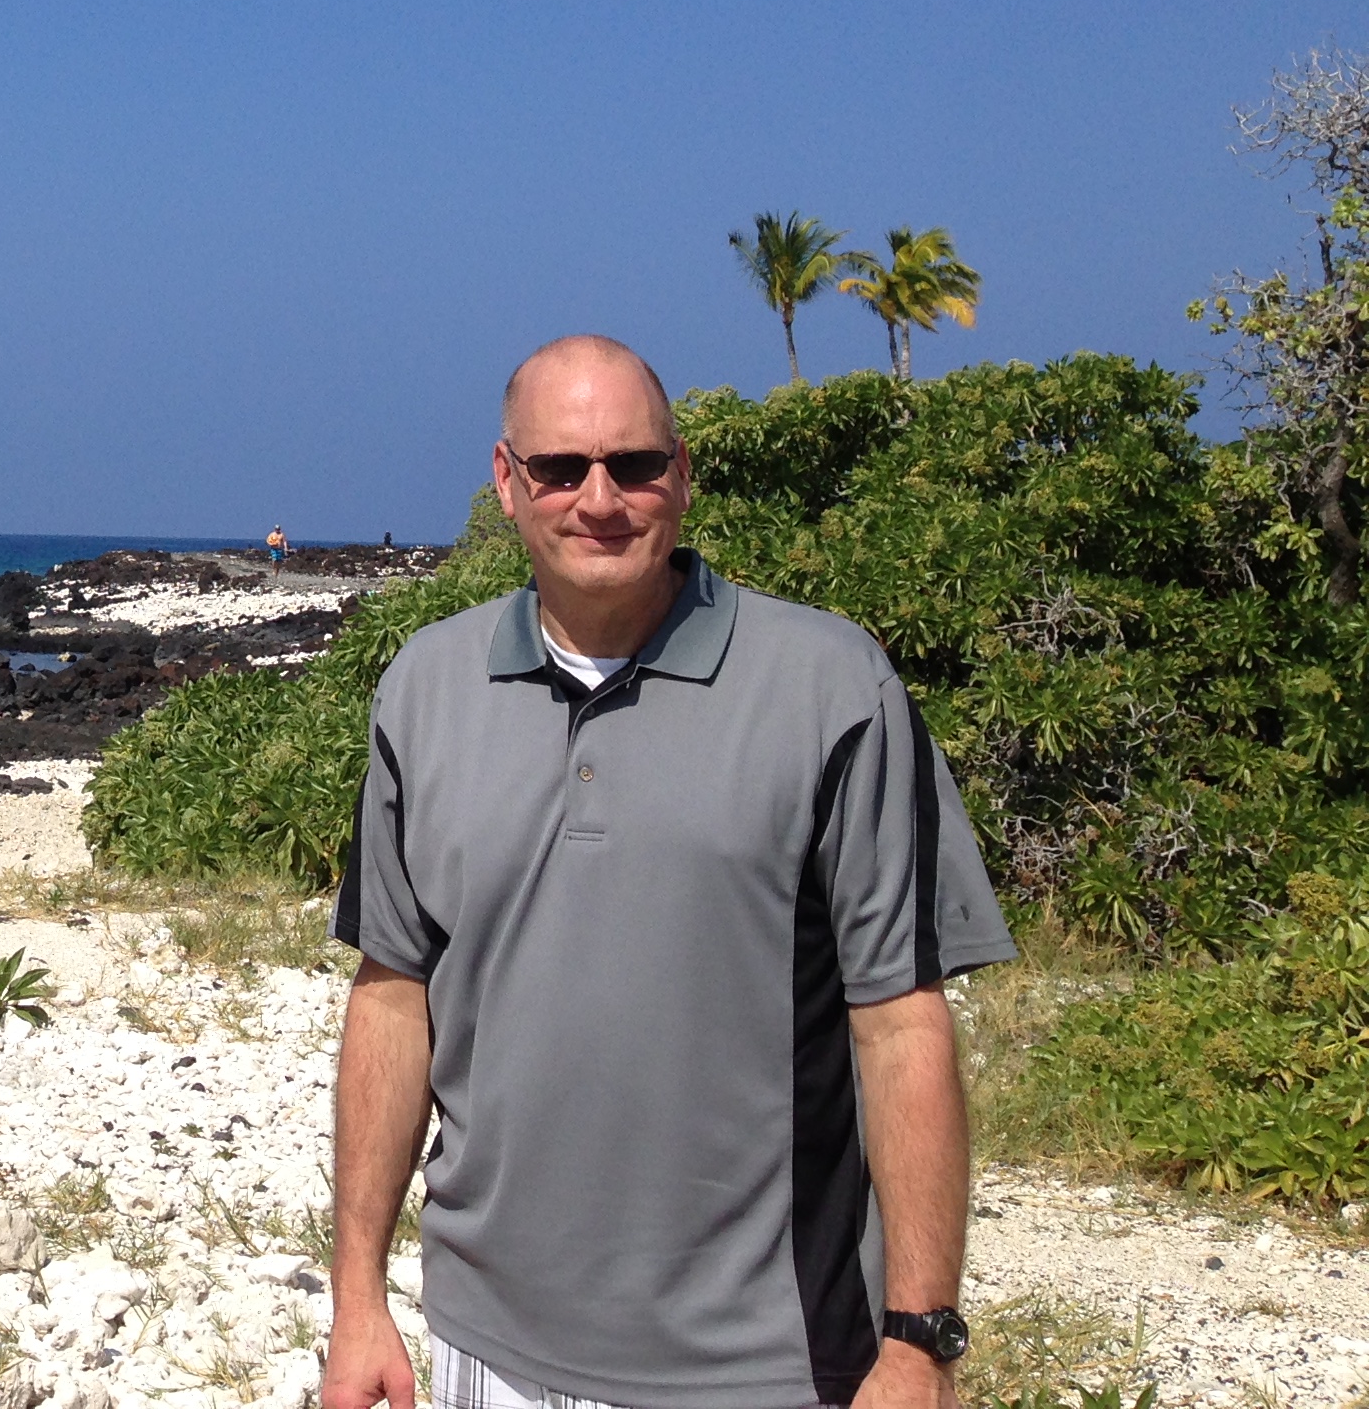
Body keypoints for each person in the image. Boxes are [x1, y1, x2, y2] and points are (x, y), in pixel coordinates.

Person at [323, 335, 1011, 1409]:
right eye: (561, 469)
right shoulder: (424, 688)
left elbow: (900, 1019)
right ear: (507, 483)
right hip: (483, 1349)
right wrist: (357, 1299)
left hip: (767, 1365)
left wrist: (919, 1345)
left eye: (634, 465)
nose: (600, 499)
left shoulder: (832, 688)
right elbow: (391, 997)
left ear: (681, 476)